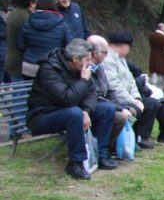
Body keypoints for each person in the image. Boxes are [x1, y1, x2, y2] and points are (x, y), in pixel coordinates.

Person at [26, 38, 116, 179]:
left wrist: (86, 111)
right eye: (87, 59)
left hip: (71, 110)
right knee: (74, 114)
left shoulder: (80, 68)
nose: (90, 63)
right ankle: (76, 163)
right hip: (42, 115)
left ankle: (101, 155)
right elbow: (66, 98)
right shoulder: (49, 69)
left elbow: (91, 93)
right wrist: (84, 80)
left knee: (107, 109)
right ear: (75, 59)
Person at [102, 30, 160, 149]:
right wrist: (133, 101)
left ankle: (142, 137)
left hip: (127, 96)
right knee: (136, 109)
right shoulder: (108, 60)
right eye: (128, 46)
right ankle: (128, 140)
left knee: (153, 104)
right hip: (115, 99)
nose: (129, 49)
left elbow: (131, 80)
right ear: (122, 45)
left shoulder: (121, 58)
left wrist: (136, 97)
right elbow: (115, 87)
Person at [125, 59, 164, 145]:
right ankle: (144, 137)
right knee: (153, 103)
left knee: (161, 101)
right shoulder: (111, 60)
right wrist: (140, 81)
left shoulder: (120, 59)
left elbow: (137, 70)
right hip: (124, 96)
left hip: (132, 92)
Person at [87, 35, 130, 153]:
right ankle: (102, 150)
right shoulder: (87, 68)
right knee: (118, 115)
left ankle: (116, 147)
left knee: (130, 110)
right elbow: (94, 96)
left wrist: (122, 106)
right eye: (105, 52)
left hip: (103, 103)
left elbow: (109, 90)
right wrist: (119, 108)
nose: (107, 55)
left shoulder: (99, 68)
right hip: (91, 106)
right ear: (95, 53)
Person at [16, 0, 73, 78]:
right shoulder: (62, 24)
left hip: (29, 67)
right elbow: (70, 46)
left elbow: (20, 46)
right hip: (52, 67)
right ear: (54, 6)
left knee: (29, 90)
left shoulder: (28, 21)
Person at [5, 0, 39, 82]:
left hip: (14, 61)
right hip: (18, 64)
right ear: (32, 3)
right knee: (20, 94)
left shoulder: (17, 12)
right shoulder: (24, 17)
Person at [148, 23, 164, 92]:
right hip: (162, 55)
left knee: (154, 70)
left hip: (153, 54)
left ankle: (153, 85)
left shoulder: (151, 35)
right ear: (162, 28)